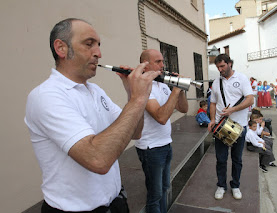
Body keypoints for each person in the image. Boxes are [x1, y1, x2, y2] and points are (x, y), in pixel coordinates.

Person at [24, 18, 161, 213]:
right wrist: (137, 100)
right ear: (61, 48)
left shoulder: (95, 91)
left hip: (115, 202)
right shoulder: (46, 96)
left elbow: (135, 133)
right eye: (89, 44)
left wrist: (132, 94)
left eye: (98, 45)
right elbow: (98, 160)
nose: (98, 53)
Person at [135, 49, 188, 213]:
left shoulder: (162, 84)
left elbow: (183, 108)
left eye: (162, 61)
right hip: (151, 148)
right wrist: (176, 90)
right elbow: (161, 117)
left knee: (165, 188)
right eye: (158, 61)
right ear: (145, 65)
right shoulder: (144, 86)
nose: (162, 65)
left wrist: (181, 90)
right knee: (155, 194)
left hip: (165, 144)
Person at [208, 54, 254, 200]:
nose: (220, 69)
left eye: (222, 66)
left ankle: (235, 185)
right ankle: (221, 185)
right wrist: (211, 120)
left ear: (230, 64)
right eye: (218, 67)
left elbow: (250, 99)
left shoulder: (242, 78)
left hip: (240, 126)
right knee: (221, 159)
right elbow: (213, 103)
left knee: (237, 159)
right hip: (221, 126)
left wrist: (232, 110)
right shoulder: (216, 82)